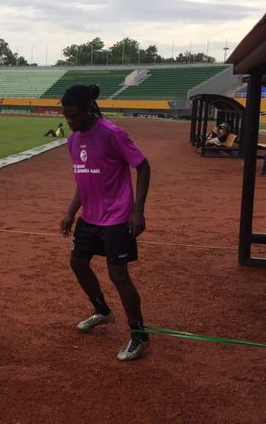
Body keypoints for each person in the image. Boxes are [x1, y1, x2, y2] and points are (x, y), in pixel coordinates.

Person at [59, 84, 151, 361]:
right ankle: (102, 311)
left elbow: (143, 166)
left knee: (118, 275)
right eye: (66, 116)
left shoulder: (113, 134)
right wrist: (71, 211)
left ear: (89, 110)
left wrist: (138, 211)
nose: (70, 121)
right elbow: (84, 179)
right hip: (90, 216)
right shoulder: (73, 140)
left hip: (117, 216)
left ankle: (139, 335)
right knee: (77, 263)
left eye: (74, 116)